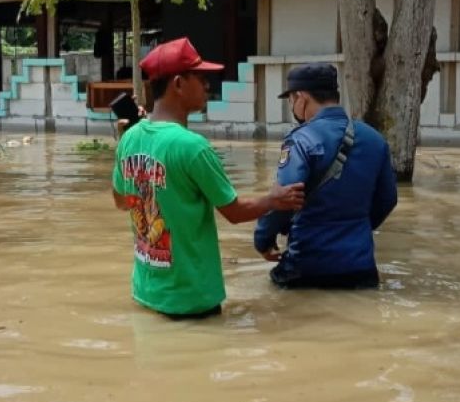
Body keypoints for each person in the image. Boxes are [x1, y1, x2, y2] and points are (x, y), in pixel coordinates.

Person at [112, 37, 305, 319]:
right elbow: (235, 213)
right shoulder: (192, 147)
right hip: (191, 300)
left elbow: (121, 202)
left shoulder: (128, 138)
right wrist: (274, 200)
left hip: (146, 292)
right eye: (200, 77)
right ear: (178, 83)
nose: (207, 86)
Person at [253, 63, 397, 289]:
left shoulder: (301, 140)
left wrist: (263, 241)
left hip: (307, 267)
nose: (292, 106)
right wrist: (354, 232)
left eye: (291, 100)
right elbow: (388, 199)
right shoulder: (375, 139)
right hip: (361, 269)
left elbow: (284, 197)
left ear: (301, 97)